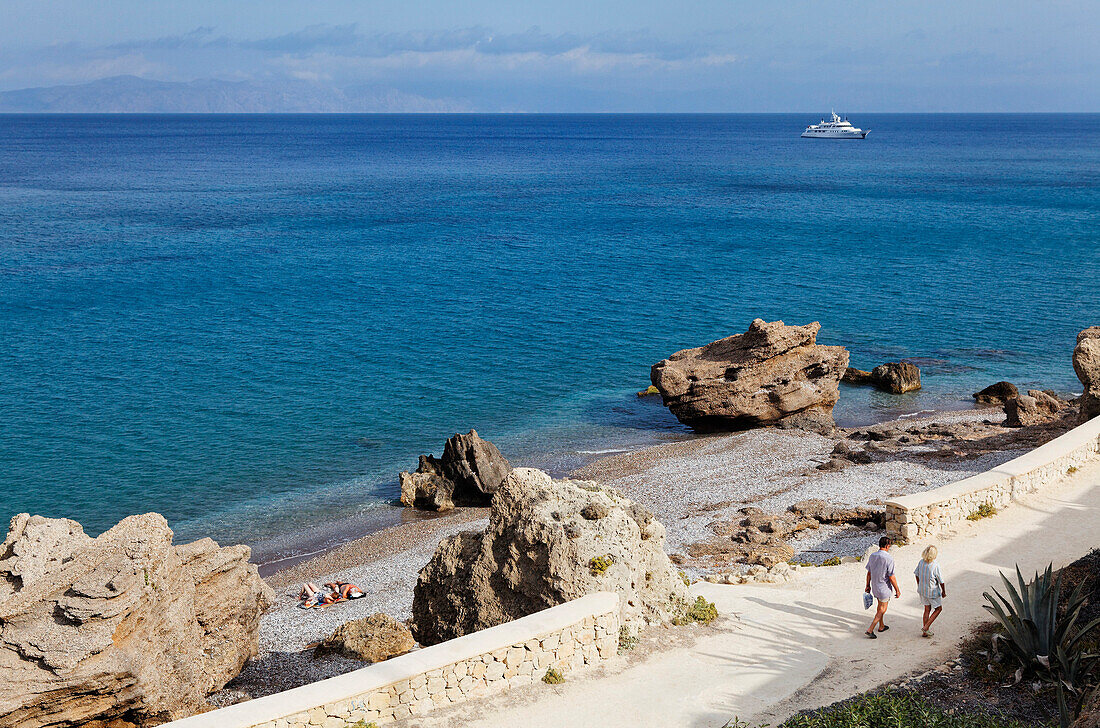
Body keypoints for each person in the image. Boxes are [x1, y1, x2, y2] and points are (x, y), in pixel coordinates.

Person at [864, 536, 900, 639]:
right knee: (882, 609)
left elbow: (869, 573)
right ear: (888, 546)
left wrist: (867, 586)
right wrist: (897, 590)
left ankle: (881, 626)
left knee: (880, 606)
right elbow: (891, 577)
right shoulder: (889, 558)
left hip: (875, 586)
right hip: (884, 588)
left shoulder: (872, 556)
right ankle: (870, 629)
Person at [914, 545, 946, 637]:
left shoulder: (921, 562)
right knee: (938, 609)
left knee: (927, 609)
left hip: (922, 590)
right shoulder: (935, 565)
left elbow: (916, 574)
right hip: (932, 591)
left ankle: (925, 632)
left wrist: (919, 584)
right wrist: (943, 592)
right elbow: (941, 581)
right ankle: (926, 627)